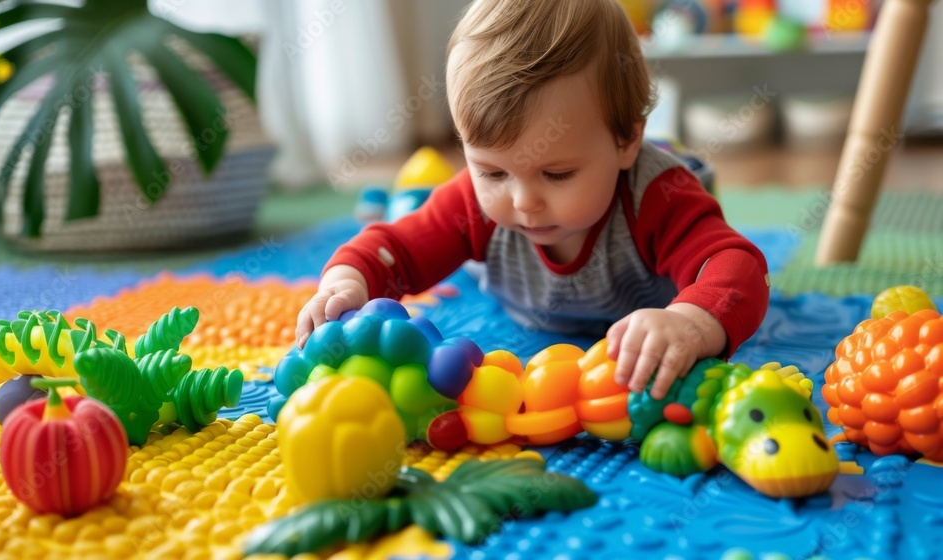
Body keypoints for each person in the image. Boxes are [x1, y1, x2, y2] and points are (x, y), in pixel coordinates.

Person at [296, 0, 769, 400]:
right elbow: (393, 248)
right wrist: (346, 284)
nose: (523, 201)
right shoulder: (474, 203)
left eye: (556, 173)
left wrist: (690, 321)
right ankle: (419, 191)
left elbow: (736, 265)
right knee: (428, 212)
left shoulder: (659, 198)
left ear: (626, 139)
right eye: (493, 171)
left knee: (686, 178)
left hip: (660, 184)